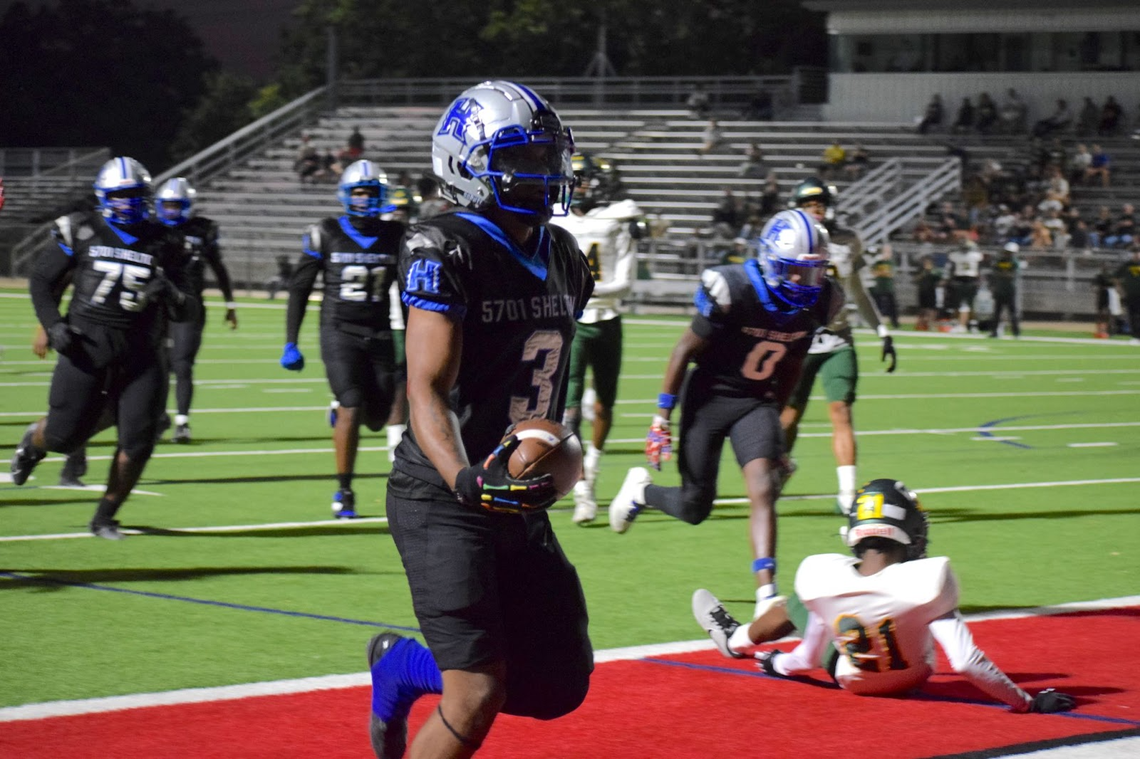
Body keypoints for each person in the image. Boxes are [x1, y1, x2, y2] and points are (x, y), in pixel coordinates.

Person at [367, 81, 594, 759]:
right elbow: (427, 387)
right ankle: (429, 679)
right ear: (464, 164)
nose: (543, 171)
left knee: (557, 684)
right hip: (445, 494)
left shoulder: (564, 254)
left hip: (515, 495)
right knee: (477, 691)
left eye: (548, 156)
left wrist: (547, 453)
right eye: (521, 157)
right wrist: (464, 476)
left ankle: (403, 665)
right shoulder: (443, 246)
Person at [608, 209, 841, 623]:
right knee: (695, 507)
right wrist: (661, 417)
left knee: (764, 488)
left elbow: (792, 363)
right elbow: (684, 351)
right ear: (771, 261)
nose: (806, 282)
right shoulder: (736, 289)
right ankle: (643, 493)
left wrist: (776, 421)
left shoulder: (821, 301)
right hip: (709, 398)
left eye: (814, 272)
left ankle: (767, 593)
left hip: (755, 401)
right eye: (796, 271)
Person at [691, 478, 1078, 716]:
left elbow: (807, 659)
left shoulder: (820, 574)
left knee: (795, 602)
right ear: (908, 530)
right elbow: (964, 661)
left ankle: (735, 640)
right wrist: (1026, 702)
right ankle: (736, 639)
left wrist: (777, 664)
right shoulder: (929, 578)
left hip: (853, 680)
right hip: (914, 676)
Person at [9, 157, 198, 540]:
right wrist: (53, 324)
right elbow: (42, 280)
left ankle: (105, 517)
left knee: (140, 440)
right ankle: (34, 441)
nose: (127, 203)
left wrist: (172, 293)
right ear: (104, 197)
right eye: (119, 196)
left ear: (146, 196)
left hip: (143, 355)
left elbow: (189, 309)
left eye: (134, 195)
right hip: (87, 347)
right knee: (63, 437)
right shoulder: (82, 228)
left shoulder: (168, 242)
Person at [280, 160, 405, 519]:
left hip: (380, 331)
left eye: (370, 192)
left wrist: (414, 337)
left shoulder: (396, 236)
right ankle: (345, 491)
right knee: (352, 401)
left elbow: (408, 292)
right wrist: (291, 341)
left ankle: (340, 414)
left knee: (378, 417)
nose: (364, 199)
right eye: (358, 192)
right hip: (339, 330)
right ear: (347, 195)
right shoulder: (327, 232)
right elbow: (300, 288)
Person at [780, 179, 898, 514]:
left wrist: (882, 331)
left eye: (819, 203)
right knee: (788, 417)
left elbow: (858, 291)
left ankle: (847, 491)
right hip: (799, 340)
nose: (815, 209)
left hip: (837, 338)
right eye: (808, 204)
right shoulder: (789, 238)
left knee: (841, 411)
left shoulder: (847, 241)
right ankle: (781, 466)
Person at [552, 154, 644, 524]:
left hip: (607, 321)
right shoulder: (555, 219)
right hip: (572, 322)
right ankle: (582, 489)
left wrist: (580, 290)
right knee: (570, 409)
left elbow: (625, 284)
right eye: (576, 178)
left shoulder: (616, 219)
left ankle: (592, 465)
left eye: (586, 178)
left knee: (604, 407)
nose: (582, 185)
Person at [153, 177, 237, 444]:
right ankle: (158, 416)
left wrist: (230, 304)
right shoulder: (151, 229)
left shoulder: (201, 230)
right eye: (167, 205)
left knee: (182, 364)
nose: (170, 211)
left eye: (176, 205)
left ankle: (182, 422)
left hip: (188, 305)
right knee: (156, 364)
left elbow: (218, 268)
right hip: (156, 304)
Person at [945, 239, 985, 332]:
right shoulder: (960, 255)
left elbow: (979, 268)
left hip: (969, 280)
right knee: (957, 304)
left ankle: (972, 325)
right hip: (961, 280)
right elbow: (951, 267)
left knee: (970, 304)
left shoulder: (972, 256)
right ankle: (959, 324)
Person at [988, 242, 1021, 338]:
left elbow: (1012, 274)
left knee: (1012, 312)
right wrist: (1004, 274)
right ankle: (994, 331)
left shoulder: (1014, 262)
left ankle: (1016, 332)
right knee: (997, 312)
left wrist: (1002, 273)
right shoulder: (999, 261)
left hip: (1010, 290)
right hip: (999, 289)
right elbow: (995, 272)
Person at [1116, 248, 1140, 344]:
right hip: (1131, 296)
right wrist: (1120, 290)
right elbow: (1116, 277)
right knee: (1132, 316)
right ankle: (1136, 336)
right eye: (1134, 253)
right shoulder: (1127, 266)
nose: (1136, 255)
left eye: (1138, 253)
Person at [913, 255, 940, 332]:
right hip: (922, 291)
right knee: (922, 309)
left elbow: (938, 279)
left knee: (932, 309)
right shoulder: (920, 270)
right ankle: (920, 324)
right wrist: (924, 273)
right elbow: (915, 279)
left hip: (931, 291)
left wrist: (932, 272)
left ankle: (931, 324)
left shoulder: (934, 270)